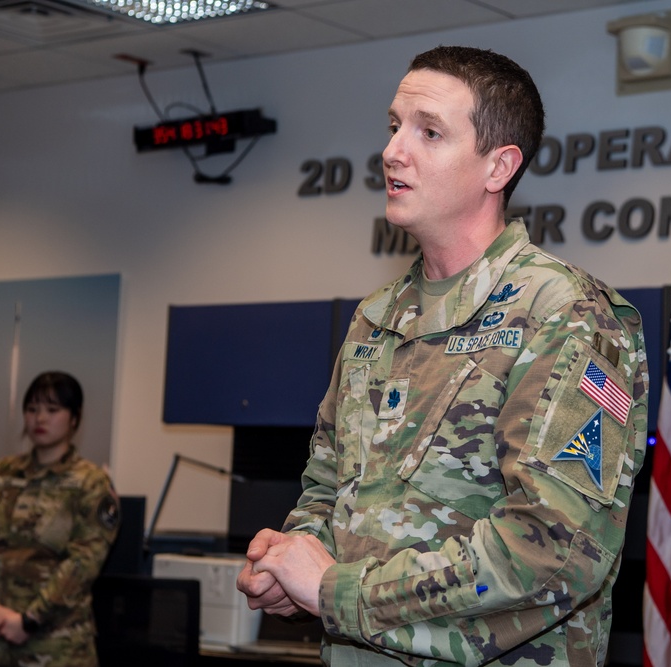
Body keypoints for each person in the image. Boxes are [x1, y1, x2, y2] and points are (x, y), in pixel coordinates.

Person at [237, 45, 649, 666]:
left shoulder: (566, 312)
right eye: (394, 126)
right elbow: (330, 488)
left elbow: (554, 552)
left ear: (498, 166)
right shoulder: (376, 318)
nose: (394, 151)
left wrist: (333, 590)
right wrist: (294, 557)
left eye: (429, 132)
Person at [0, 371, 120, 667]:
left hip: (57, 642)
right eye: (32, 409)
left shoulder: (91, 483)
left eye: (52, 410)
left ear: (74, 418)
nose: (40, 418)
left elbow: (83, 563)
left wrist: (29, 620)